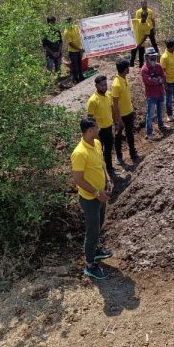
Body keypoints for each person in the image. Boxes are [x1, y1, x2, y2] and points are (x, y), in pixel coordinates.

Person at [70, 116, 113, 280]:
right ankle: (89, 265)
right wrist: (97, 193)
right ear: (89, 131)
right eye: (96, 127)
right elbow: (78, 179)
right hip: (90, 199)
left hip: (101, 194)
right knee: (92, 229)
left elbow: (101, 163)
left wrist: (108, 179)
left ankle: (95, 252)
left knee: (99, 224)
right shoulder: (79, 153)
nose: (99, 129)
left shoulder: (96, 143)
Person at [86, 75, 116, 179]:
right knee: (99, 152)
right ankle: (101, 173)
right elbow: (89, 119)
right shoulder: (93, 100)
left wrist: (115, 122)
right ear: (96, 86)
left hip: (109, 127)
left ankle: (110, 168)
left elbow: (111, 109)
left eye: (105, 84)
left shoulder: (108, 95)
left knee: (108, 150)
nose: (104, 87)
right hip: (99, 131)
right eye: (102, 85)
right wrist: (95, 133)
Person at [111, 58, 139, 166]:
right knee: (118, 137)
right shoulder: (116, 84)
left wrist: (132, 109)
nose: (129, 69)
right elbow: (115, 104)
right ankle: (119, 157)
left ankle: (132, 153)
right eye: (128, 67)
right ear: (125, 69)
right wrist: (118, 119)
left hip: (129, 112)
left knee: (130, 134)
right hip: (121, 116)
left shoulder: (124, 78)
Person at [141, 47, 168, 139]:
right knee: (150, 115)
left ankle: (161, 126)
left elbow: (163, 76)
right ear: (146, 57)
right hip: (151, 95)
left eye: (154, 56)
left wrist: (158, 80)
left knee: (160, 112)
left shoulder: (158, 66)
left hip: (160, 93)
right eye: (151, 57)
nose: (153, 58)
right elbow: (149, 81)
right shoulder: (144, 69)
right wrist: (157, 80)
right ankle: (149, 133)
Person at [63, 17, 85, 83]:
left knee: (80, 64)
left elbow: (82, 33)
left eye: (70, 21)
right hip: (73, 52)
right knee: (74, 66)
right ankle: (75, 79)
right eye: (67, 22)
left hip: (79, 50)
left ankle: (81, 76)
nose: (69, 23)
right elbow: (71, 43)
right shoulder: (66, 31)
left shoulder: (75, 27)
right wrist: (79, 49)